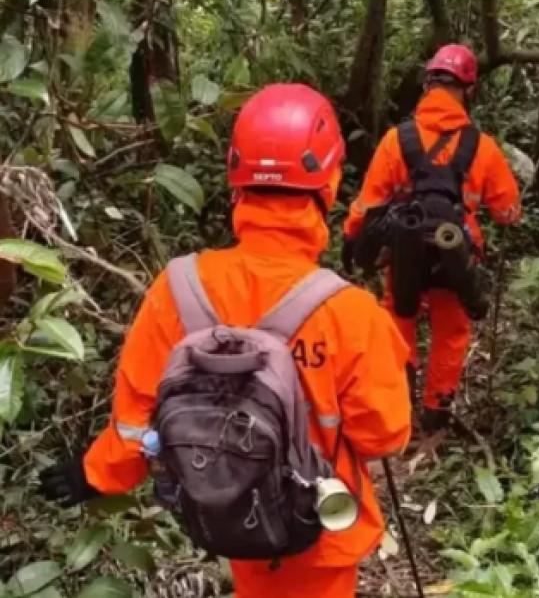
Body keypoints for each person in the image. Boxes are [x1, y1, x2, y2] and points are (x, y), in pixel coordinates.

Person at [37, 84, 412, 598]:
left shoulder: (179, 288)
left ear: (235, 180)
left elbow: (135, 418)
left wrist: (95, 473)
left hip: (226, 511)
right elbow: (384, 437)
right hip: (318, 535)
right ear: (328, 184)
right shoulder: (351, 312)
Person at [342, 43, 521, 433]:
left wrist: (351, 236)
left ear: (427, 86)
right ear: (469, 90)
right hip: (456, 252)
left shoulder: (397, 140)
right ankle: (436, 410)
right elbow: (508, 212)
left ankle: (400, 398)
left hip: (405, 249)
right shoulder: (482, 147)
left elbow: (369, 202)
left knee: (398, 315)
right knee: (452, 330)